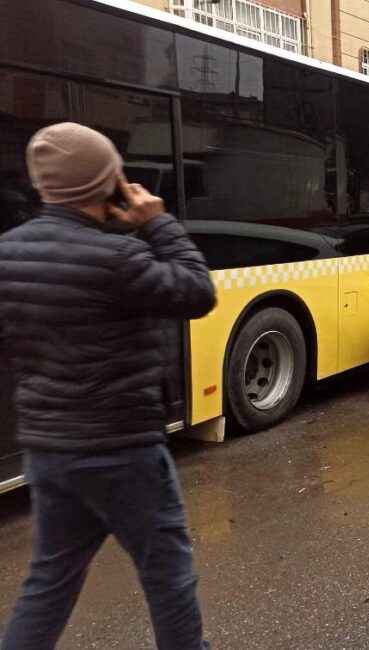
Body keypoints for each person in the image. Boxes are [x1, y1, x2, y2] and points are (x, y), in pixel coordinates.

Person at [0, 123, 217, 650]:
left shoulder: (7, 252)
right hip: (121, 450)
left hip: (49, 450)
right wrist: (157, 222)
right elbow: (196, 291)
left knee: (49, 581)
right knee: (167, 575)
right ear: (107, 183)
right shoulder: (118, 257)